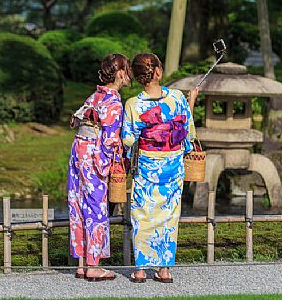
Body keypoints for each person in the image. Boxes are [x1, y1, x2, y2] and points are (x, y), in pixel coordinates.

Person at [122, 53, 198, 283]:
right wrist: (191, 100)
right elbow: (188, 133)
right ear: (157, 72)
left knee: (142, 214)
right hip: (173, 164)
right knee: (169, 215)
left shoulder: (134, 104)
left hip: (147, 164)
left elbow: (128, 140)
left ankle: (140, 270)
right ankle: (164, 270)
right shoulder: (176, 97)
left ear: (137, 76)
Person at [68, 53, 131, 281]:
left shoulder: (94, 96)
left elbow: (76, 120)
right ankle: (94, 266)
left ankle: (82, 263)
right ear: (120, 73)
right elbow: (111, 140)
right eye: (127, 70)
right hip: (95, 153)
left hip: (78, 149)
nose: (129, 75)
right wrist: (115, 162)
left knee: (78, 202)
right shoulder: (114, 101)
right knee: (96, 206)